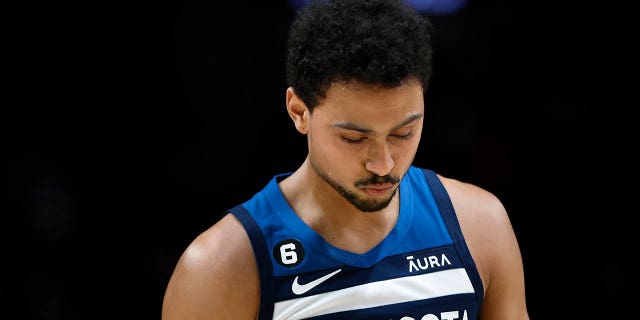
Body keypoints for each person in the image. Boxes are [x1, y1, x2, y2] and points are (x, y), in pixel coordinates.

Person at [162, 0, 530, 319]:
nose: (383, 164)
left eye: (404, 133)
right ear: (298, 112)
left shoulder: (480, 226)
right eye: (354, 138)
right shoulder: (219, 269)